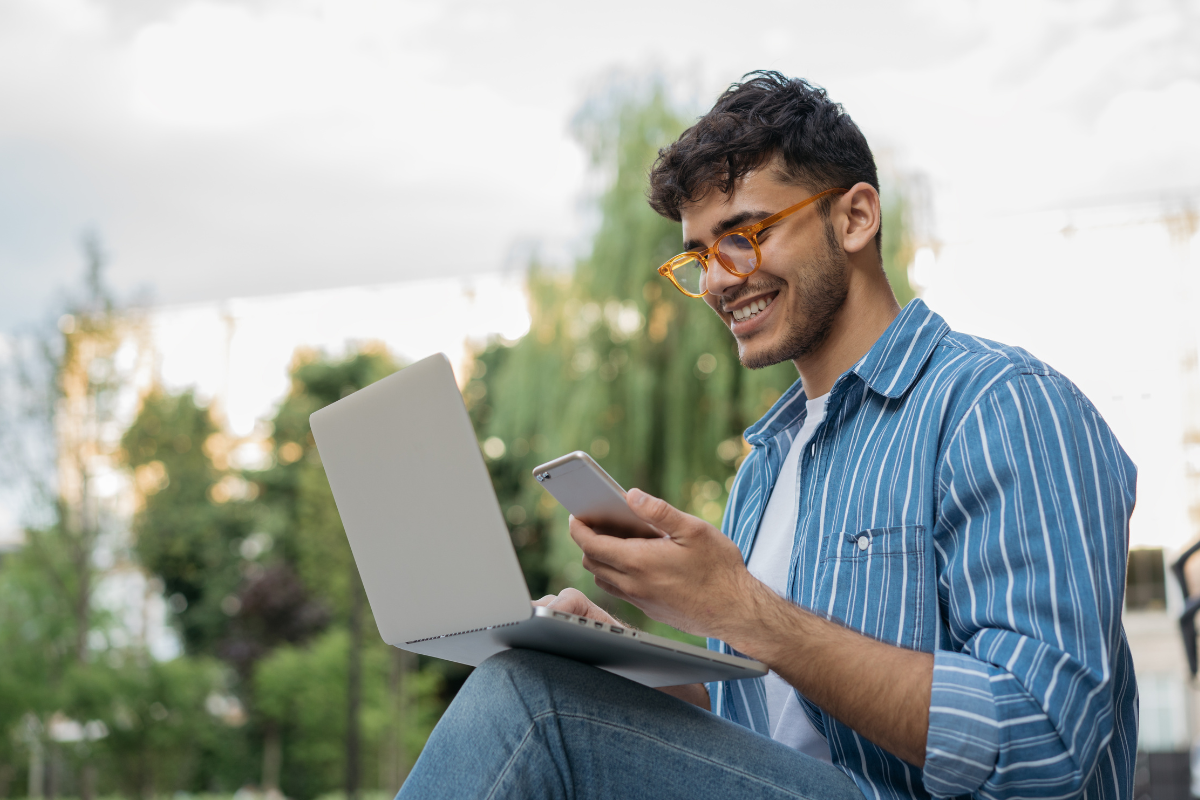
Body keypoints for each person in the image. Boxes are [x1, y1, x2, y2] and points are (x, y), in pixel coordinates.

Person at [397, 71, 1137, 800]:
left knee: (530, 701)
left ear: (854, 218)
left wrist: (740, 607)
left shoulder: (998, 404)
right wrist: (620, 665)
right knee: (543, 679)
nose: (719, 280)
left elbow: (1047, 743)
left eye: (745, 235)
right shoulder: (767, 467)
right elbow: (766, 740)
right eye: (699, 255)